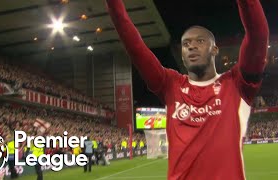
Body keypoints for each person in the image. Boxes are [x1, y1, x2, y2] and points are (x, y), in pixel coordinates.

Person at [106, 0, 269, 179]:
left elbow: (258, 35)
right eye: (186, 44)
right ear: (182, 55)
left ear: (214, 49)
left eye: (200, 41)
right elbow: (134, 46)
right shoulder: (170, 84)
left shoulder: (236, 83)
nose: (191, 46)